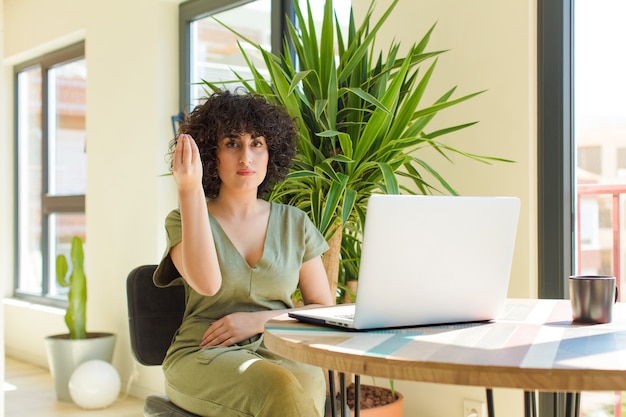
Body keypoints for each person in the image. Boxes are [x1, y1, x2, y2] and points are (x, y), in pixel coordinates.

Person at [153, 89, 334, 417]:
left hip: (281, 349)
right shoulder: (185, 219)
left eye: (257, 144)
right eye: (232, 143)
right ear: (211, 154)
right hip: (204, 353)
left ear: (271, 153)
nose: (246, 157)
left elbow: (324, 309)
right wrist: (188, 189)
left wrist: (259, 321)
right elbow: (207, 283)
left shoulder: (295, 223)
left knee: (306, 378)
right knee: (275, 385)